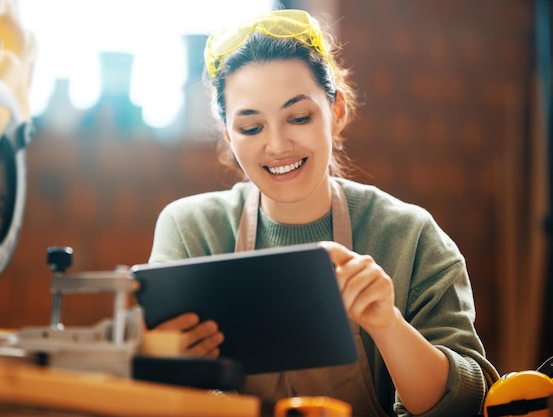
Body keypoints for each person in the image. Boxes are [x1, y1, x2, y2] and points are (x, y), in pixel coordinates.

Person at [146, 8, 499, 417]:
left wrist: (388, 326)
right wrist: (155, 358)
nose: (277, 146)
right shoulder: (191, 231)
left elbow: (466, 402)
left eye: (298, 117)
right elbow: (162, 397)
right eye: (251, 127)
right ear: (228, 134)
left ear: (337, 112)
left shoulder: (410, 237)